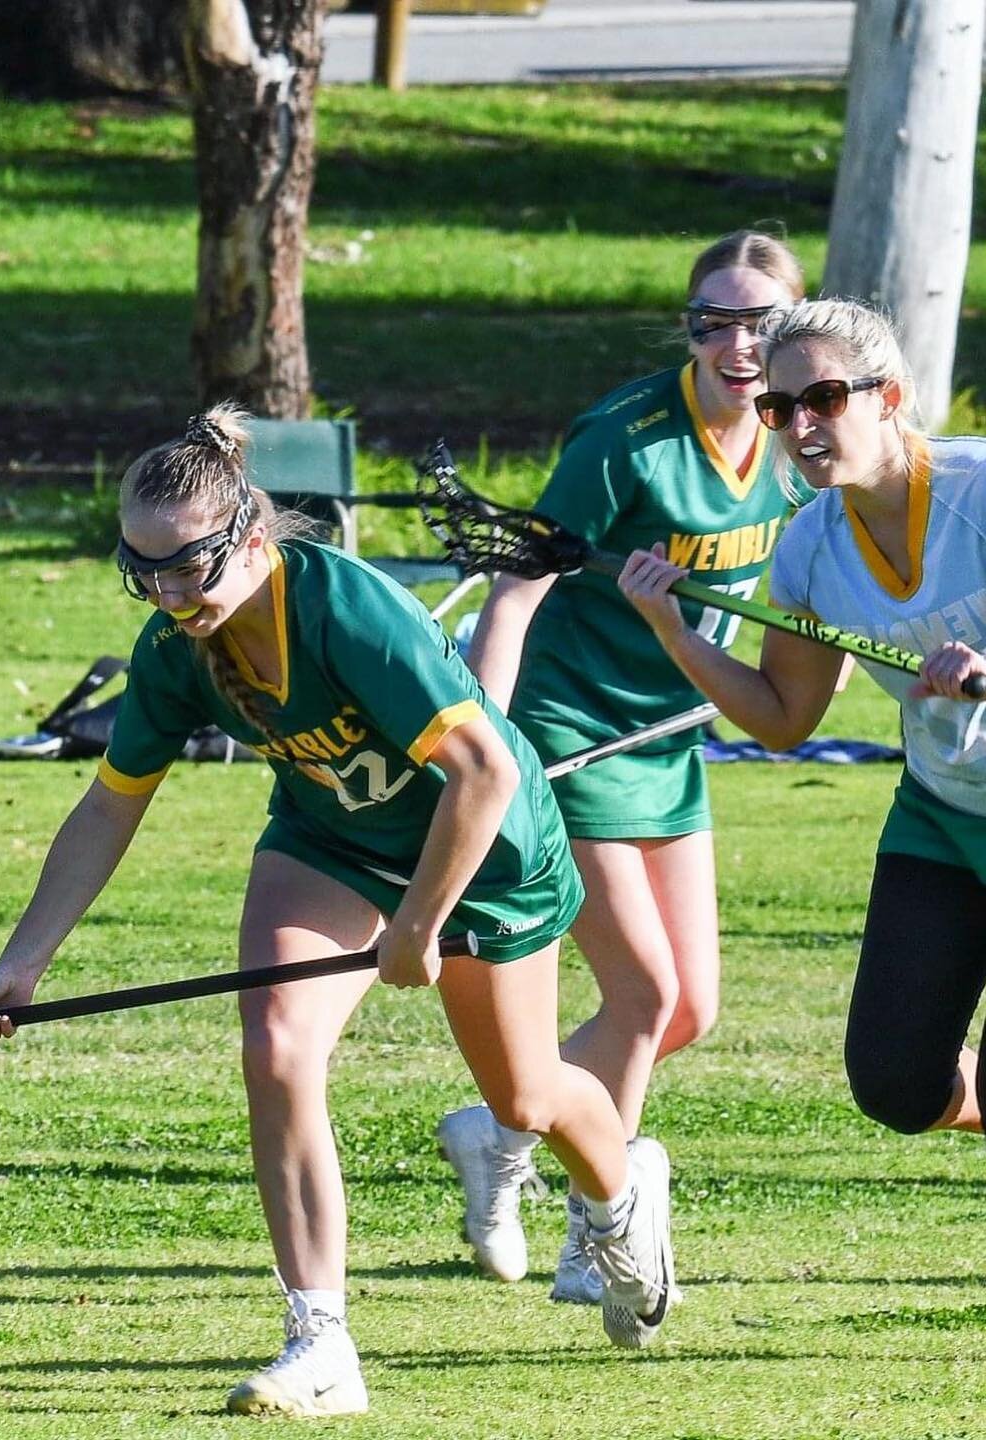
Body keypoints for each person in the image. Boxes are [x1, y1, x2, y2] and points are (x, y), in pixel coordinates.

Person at [0, 406, 676, 1419]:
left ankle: (621, 1198)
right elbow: (111, 802)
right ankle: (320, 1341)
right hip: (332, 839)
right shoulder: (176, 647)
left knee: (526, 1099)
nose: (168, 594)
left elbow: (484, 771)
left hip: (489, 853)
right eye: (144, 571)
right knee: (278, 1048)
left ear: (250, 536)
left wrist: (419, 925)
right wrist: (23, 959)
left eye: (189, 567)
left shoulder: (344, 609)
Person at [436, 230, 806, 1301]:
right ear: (688, 326)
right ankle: (597, 1235)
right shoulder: (626, 439)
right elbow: (516, 586)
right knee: (643, 994)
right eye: (714, 321)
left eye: (760, 323)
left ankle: (506, 1127)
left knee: (690, 1011)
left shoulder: (795, 437)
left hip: (667, 740)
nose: (737, 345)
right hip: (571, 735)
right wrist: (487, 747)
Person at [618, 296, 986, 1148]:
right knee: (895, 1084)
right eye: (779, 409)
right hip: (942, 819)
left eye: (824, 400)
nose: (798, 426)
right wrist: (672, 632)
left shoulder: (977, 490)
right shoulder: (811, 545)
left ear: (887, 397)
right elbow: (783, 720)